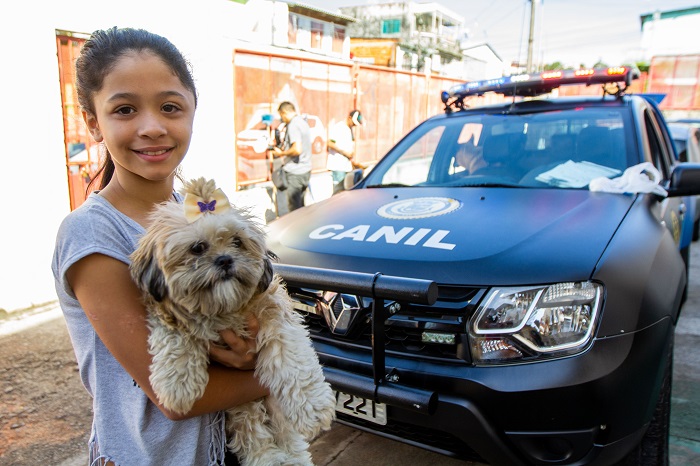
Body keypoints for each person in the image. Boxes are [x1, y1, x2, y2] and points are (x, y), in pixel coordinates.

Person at [51, 27, 267, 466]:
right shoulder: (93, 233)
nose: (152, 127)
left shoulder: (197, 212)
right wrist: (281, 371)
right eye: (125, 109)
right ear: (94, 123)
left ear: (191, 113)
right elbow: (175, 396)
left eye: (170, 107)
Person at [272, 102, 312, 212]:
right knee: (301, 207)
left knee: (294, 210)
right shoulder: (303, 122)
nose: (282, 119)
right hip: (305, 170)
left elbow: (297, 149)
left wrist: (281, 153)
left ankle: (299, 228)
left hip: (295, 173)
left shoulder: (293, 125)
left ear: (284, 112)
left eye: (281, 116)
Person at [327, 109, 364, 193]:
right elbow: (330, 143)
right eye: (353, 122)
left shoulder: (349, 129)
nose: (354, 125)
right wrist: (344, 152)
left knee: (345, 190)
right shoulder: (339, 127)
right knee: (338, 190)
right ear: (349, 118)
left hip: (346, 166)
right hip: (338, 165)